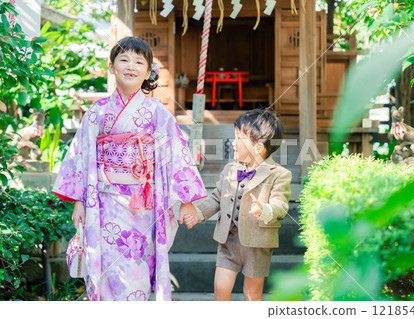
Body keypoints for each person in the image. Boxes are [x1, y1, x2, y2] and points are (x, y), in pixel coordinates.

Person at [52, 37, 206, 301]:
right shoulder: (97, 112)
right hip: (105, 202)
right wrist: (79, 200)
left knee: (138, 268)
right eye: (123, 59)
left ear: (148, 72)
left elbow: (175, 154)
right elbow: (80, 156)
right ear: (112, 67)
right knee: (108, 267)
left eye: (139, 61)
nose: (130, 66)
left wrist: (187, 201)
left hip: (144, 204)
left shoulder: (157, 112)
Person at [190, 108, 292, 300]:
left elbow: (281, 205)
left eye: (238, 138)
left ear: (258, 147)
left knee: (252, 293)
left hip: (257, 244)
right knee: (221, 289)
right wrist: (198, 213)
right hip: (229, 240)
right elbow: (216, 198)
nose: (233, 143)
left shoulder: (279, 174)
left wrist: (264, 209)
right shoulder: (230, 169)